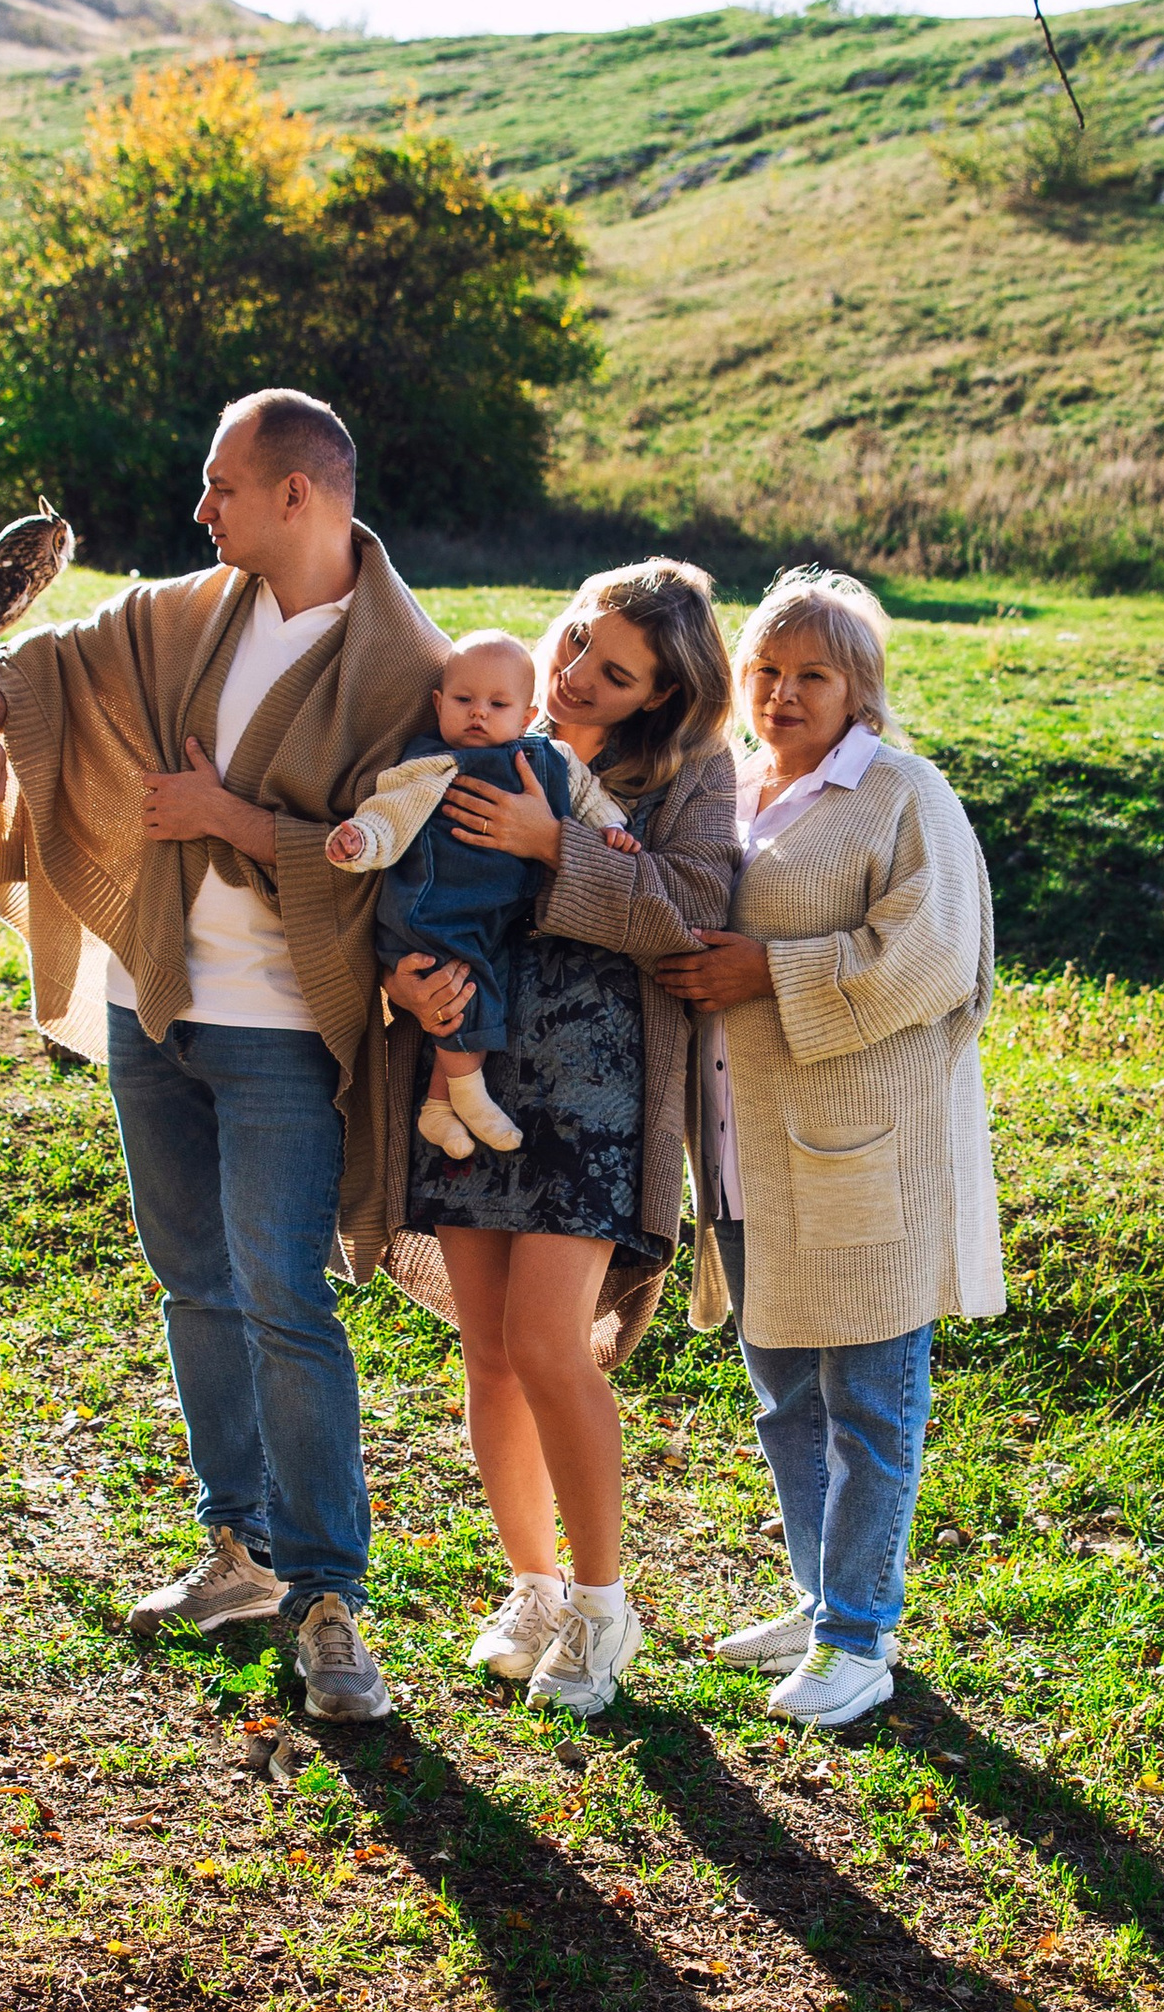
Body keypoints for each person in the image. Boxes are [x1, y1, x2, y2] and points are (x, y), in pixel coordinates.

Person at [0, 390, 445, 1723]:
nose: (199, 509)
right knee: (192, 1284)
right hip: (151, 999)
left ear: (299, 495)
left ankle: (330, 1596)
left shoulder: (405, 669)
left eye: (221, 486)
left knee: (284, 1293)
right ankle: (242, 1551)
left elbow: (391, 866)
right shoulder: (192, 607)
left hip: (282, 1023)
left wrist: (231, 814)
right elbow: (46, 658)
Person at [383, 561, 739, 1718]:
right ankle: (531, 1589)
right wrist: (400, 972)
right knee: (486, 1351)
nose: (578, 673)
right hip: (473, 1072)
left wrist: (554, 846)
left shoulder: (690, 775)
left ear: (660, 695)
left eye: (615, 670)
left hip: (599, 1087)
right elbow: (396, 874)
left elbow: (693, 916)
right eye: (579, 640)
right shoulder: (480, 717)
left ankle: (600, 1607)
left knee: (550, 1345)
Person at [655, 567, 1003, 1732]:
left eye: (814, 672)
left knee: (867, 1399)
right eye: (766, 669)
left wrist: (768, 970)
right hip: (744, 1149)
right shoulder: (734, 791)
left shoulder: (903, 795)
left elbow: (933, 958)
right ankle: (819, 1600)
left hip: (863, 1148)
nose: (785, 690)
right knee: (783, 1397)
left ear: (860, 688)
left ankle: (860, 1635)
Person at [327, 628, 635, 1159]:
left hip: (493, 913)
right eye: (464, 700)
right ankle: (469, 1095)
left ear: (527, 713)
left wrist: (610, 828)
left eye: (497, 704)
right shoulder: (435, 763)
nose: (478, 714)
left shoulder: (552, 758)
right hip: (432, 912)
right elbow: (390, 813)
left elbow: (588, 796)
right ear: (438, 703)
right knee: (461, 991)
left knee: (482, 986)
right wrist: (361, 841)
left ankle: (438, 1107)